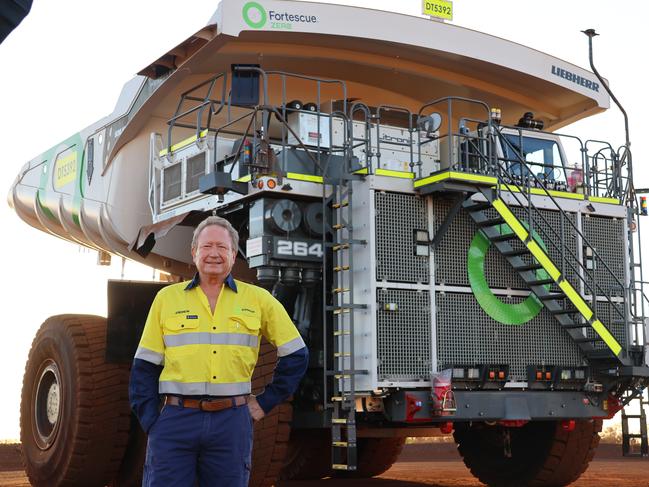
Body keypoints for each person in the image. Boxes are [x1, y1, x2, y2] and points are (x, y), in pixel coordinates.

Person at [129, 215, 309, 486]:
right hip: (176, 421)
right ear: (194, 252)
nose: (214, 253)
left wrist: (264, 402)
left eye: (222, 247)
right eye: (207, 246)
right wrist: (154, 422)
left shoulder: (258, 300)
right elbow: (144, 366)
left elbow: (296, 354)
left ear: (234, 255)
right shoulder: (167, 299)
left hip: (231, 423)